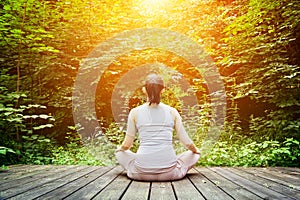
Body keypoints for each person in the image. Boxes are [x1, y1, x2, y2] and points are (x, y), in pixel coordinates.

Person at [115, 73, 200, 181]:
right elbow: (186, 142)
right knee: (193, 154)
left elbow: (127, 145)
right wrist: (195, 150)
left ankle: (138, 166)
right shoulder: (172, 112)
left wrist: (120, 149)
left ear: (144, 90)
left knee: (119, 152)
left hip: (140, 173)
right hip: (170, 173)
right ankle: (173, 165)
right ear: (163, 90)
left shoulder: (135, 112)